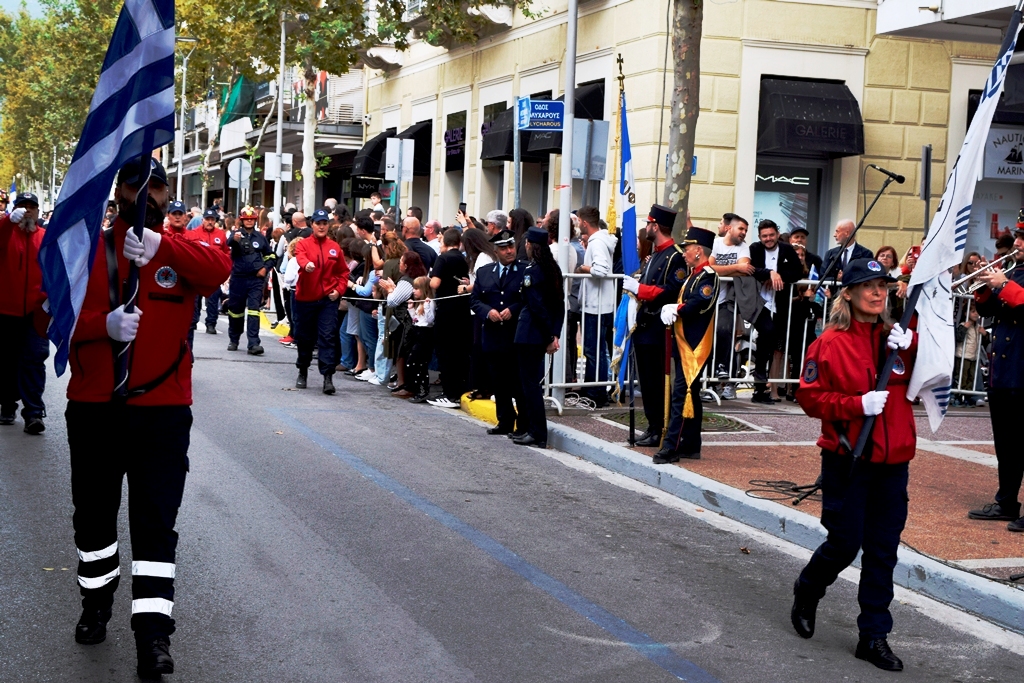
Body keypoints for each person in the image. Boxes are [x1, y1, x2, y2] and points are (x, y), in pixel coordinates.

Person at [64, 157, 231, 677]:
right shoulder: (84, 248)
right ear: (122, 191)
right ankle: (95, 604)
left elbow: (217, 271)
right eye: (141, 186)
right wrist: (100, 325)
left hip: (161, 413)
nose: (151, 197)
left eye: (159, 187)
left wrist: (162, 246)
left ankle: (153, 636)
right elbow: (50, 316)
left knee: (156, 527)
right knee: (94, 518)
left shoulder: (180, 251)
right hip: (94, 408)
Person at [790, 258, 916, 672]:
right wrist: (856, 404)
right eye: (869, 286)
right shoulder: (829, 342)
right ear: (848, 292)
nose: (879, 293)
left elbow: (923, 383)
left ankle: (873, 636)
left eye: (884, 286)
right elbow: (810, 398)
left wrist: (914, 345)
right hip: (849, 457)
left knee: (883, 550)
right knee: (845, 543)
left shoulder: (895, 340)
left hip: (892, 459)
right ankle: (808, 589)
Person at [968, 231, 1024, 531]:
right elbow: (991, 313)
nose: (1017, 244)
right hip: (1005, 371)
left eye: (1023, 239)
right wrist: (986, 289)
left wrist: (1005, 285)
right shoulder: (1014, 271)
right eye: (1018, 238)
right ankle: (1006, 501)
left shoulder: (1012, 278)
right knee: (1007, 443)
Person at [621, 205, 687, 448]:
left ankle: (660, 428)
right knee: (647, 383)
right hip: (644, 325)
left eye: (649, 223)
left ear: (656, 226)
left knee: (657, 382)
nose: (646, 228)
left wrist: (641, 290)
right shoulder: (654, 255)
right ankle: (652, 426)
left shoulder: (675, 256)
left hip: (660, 329)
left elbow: (671, 292)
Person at [655, 227, 719, 463]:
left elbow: (699, 303)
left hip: (695, 346)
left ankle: (671, 447)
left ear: (699, 251)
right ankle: (691, 444)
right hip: (684, 343)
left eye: (688, 247)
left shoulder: (709, 276)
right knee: (690, 396)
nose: (684, 252)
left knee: (681, 394)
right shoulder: (694, 275)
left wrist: (676, 308)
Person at [0, 192, 49, 434]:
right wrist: (7, 222)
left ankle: (33, 412)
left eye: (32, 206)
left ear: (38, 212)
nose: (28, 210)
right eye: (23, 206)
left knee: (34, 359)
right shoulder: (6, 233)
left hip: (36, 312)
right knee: (7, 359)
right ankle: (7, 403)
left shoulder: (45, 237)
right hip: (5, 309)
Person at [471, 229, 526, 435]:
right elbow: (475, 300)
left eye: (511, 246)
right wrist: (488, 311)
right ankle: (505, 421)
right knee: (499, 382)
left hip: (515, 334)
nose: (509, 251)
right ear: (496, 251)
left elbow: (528, 298)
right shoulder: (485, 272)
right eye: (504, 248)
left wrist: (512, 310)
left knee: (518, 383)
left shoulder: (524, 270)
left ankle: (523, 424)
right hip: (493, 334)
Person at [513, 227, 564, 448]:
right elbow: (559, 306)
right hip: (541, 332)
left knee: (529, 385)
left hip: (529, 333)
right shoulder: (553, 269)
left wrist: (549, 335)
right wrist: (554, 333)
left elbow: (536, 305)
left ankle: (536, 431)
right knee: (532, 384)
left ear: (530, 245)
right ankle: (532, 429)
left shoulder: (532, 271)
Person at [292, 209, 349, 394]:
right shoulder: (304, 245)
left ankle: (327, 377)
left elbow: (343, 272)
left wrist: (338, 290)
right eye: (318, 223)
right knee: (305, 338)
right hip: (305, 299)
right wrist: (306, 264)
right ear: (312, 225)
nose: (322, 226)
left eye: (325, 223)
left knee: (327, 336)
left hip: (327, 300)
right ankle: (302, 370)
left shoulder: (335, 247)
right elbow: (300, 257)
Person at [748, 219, 804, 403]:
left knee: (769, 342)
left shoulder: (786, 249)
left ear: (778, 234)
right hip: (759, 302)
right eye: (764, 236)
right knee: (767, 332)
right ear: (759, 237)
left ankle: (760, 389)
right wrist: (769, 273)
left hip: (779, 303)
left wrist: (778, 274)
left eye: (771, 235)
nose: (768, 239)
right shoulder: (755, 248)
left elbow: (796, 272)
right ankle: (759, 385)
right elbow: (752, 270)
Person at [574, 205, 617, 408]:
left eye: (578, 221)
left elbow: (601, 269)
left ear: (584, 222)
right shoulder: (600, 240)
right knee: (596, 349)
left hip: (596, 305)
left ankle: (595, 392)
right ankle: (594, 389)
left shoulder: (597, 242)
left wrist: (583, 267)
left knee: (593, 350)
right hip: (600, 303)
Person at [708, 214, 753, 400]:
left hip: (729, 300)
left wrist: (720, 269)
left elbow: (745, 269)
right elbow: (710, 267)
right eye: (741, 229)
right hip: (709, 299)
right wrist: (735, 269)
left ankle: (722, 370)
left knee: (724, 330)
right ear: (730, 228)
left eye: (745, 230)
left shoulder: (744, 248)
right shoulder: (716, 244)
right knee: (708, 338)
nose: (743, 233)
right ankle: (711, 382)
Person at [428, 229, 471, 408]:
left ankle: (449, 393)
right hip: (462, 309)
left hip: (446, 309)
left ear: (445, 241)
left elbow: (435, 283)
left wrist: (428, 279)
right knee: (459, 352)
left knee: (445, 351)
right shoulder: (463, 258)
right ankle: (458, 389)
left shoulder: (443, 258)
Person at [225, 204, 276, 354]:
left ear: (255, 220)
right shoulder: (235, 235)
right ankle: (234, 339)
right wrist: (234, 239)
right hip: (238, 279)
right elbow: (228, 244)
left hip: (255, 280)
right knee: (236, 311)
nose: (249, 221)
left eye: (252, 219)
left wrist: (265, 268)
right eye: (246, 219)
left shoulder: (260, 237)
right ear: (241, 220)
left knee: (254, 310)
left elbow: (271, 256)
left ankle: (253, 343)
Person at [184, 208, 230, 342]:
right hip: (197, 272)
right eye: (207, 219)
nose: (210, 222)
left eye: (212, 220)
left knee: (213, 299)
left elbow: (226, 253)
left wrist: (225, 269)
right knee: (195, 299)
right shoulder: (194, 233)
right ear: (202, 220)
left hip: (213, 273)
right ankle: (194, 320)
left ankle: (211, 323)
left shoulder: (220, 235)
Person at [404, 276, 435, 402]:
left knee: (419, 363)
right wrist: (411, 309)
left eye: (416, 288)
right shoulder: (419, 304)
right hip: (417, 332)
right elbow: (415, 320)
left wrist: (427, 307)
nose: (413, 291)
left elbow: (429, 320)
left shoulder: (429, 303)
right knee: (414, 363)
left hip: (425, 334)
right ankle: (417, 389)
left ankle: (423, 390)